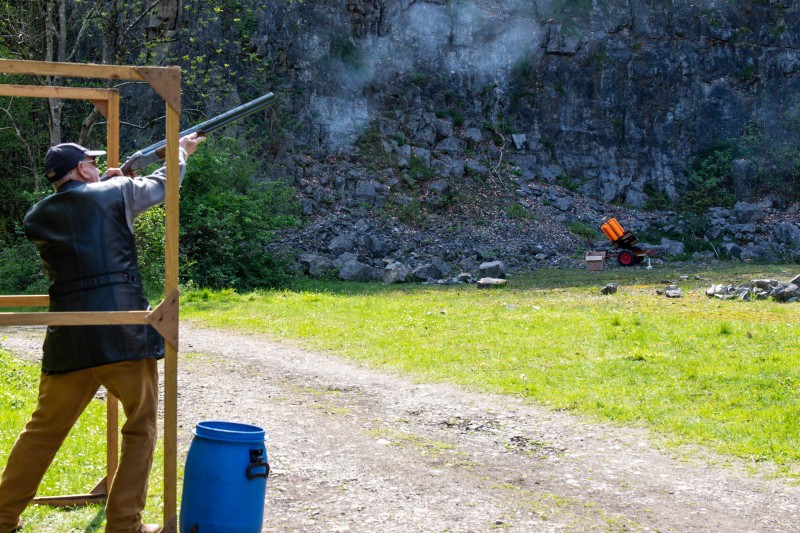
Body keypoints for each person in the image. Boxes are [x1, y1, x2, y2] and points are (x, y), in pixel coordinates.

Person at [0, 132, 205, 533]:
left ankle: (3, 516)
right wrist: (180, 150)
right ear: (80, 169)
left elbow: (85, 216)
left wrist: (110, 182)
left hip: (69, 340)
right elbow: (167, 182)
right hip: (123, 335)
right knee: (141, 428)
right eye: (91, 163)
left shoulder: (36, 218)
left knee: (42, 433)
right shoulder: (116, 192)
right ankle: (124, 524)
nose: (97, 166)